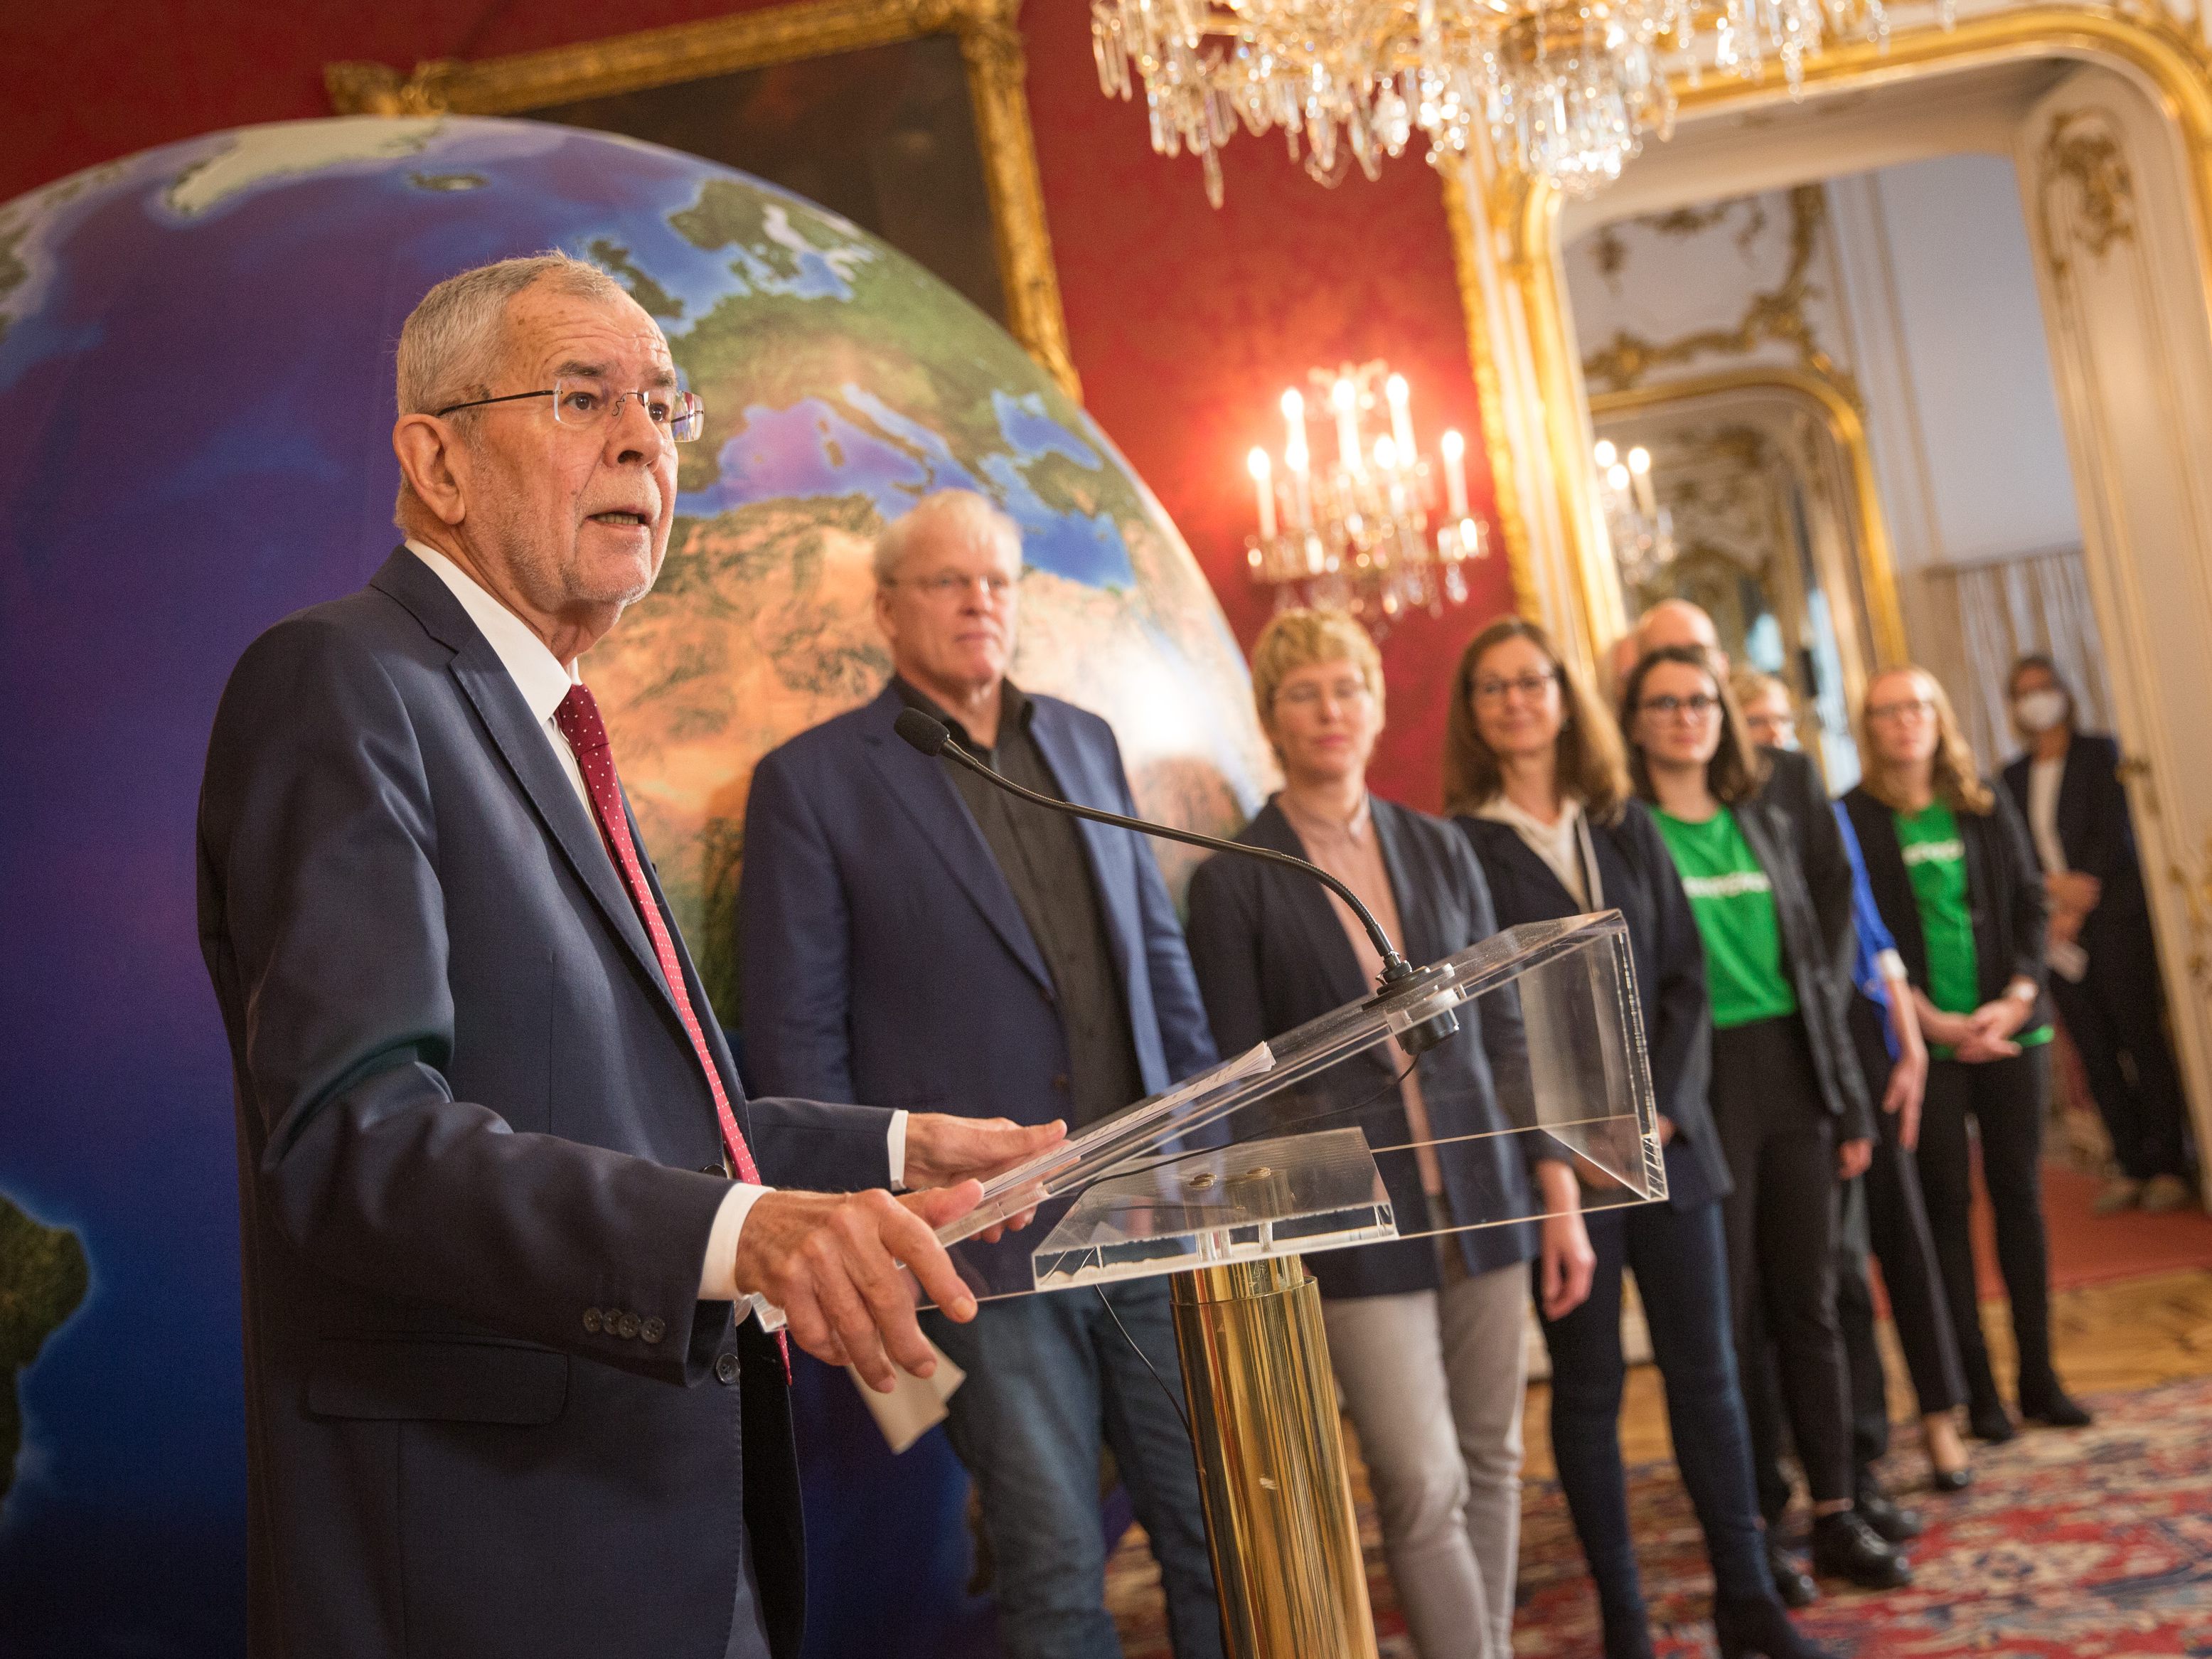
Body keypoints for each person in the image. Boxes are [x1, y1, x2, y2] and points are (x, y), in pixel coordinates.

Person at [196, 254, 1059, 1659]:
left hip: (663, 1510)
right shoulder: (341, 682)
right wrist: (746, 1233)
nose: (643, 440)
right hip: (493, 1554)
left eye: (662, 404)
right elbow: (358, 1144)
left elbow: (652, 1122)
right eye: (583, 395)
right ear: (437, 458)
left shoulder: (554, 726)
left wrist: (896, 1150)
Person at [738, 490, 1224, 1659]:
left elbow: (1156, 964)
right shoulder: (811, 781)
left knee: (1217, 1535)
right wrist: (873, 1224)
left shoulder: (1083, 741)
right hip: (980, 1248)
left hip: (1141, 1209)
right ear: (888, 609)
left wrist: (1209, 1138)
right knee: (1054, 1564)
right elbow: (797, 1048)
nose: (980, 601)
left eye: (998, 581)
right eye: (951, 581)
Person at [1182, 609, 1593, 1659]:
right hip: (1354, 1218)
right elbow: (1235, 1080)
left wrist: (1556, 1194)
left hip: (1486, 1191)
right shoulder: (1234, 876)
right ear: (1269, 714)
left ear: (1374, 705)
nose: (1330, 710)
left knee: (1495, 1458)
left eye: (1347, 687)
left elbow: (1503, 1031)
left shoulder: (1439, 844)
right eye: (1303, 691)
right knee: (1420, 1479)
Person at [1448, 617, 1829, 1659]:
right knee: (1588, 1390)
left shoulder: (1624, 824)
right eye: (1492, 687)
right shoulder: (1461, 846)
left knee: (1706, 1371)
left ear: (1564, 697)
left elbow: (1684, 981)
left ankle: (1744, 1597)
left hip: (1671, 1144)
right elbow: (1486, 1018)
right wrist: (1563, 1143)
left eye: (1532, 680)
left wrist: (1657, 1107)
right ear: (1471, 714)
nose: (1516, 700)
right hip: (1558, 1170)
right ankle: (1625, 1619)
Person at [1619, 648, 1908, 1594]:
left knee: (1811, 1301)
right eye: (1661, 704)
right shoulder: (1624, 830)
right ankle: (1752, 1525)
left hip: (1791, 1071)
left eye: (1698, 701)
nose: (1683, 717)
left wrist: (1845, 1098)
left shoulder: (1761, 813)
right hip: (1698, 1086)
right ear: (1632, 721)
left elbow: (1819, 977)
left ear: (1722, 715)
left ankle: (1835, 1508)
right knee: (1729, 1318)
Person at [1733, 671, 1968, 1541]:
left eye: (1781, 722)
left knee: (1873, 1255)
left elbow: (1864, 924)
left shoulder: (1802, 794)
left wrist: (1905, 1030)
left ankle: (1872, 1453)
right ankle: (1817, 1463)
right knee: (1815, 1277)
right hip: (1789, 1058)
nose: (1771, 738)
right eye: (1754, 721)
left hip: (1857, 1044)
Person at [1844, 666, 2094, 1443]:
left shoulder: (1982, 798)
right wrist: (1932, 1021)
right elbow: (1866, 935)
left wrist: (2018, 996)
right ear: (1870, 726)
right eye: (1887, 711)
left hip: (2012, 1028)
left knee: (2020, 1198)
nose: (1904, 722)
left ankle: (2040, 1377)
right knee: (1945, 1214)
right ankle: (1977, 1388)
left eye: (1917, 706)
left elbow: (2029, 900)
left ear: (1940, 715)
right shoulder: (1854, 817)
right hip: (1926, 1043)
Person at [2001, 655, 2195, 1215]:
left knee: (2141, 1040)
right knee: (2094, 1050)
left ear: (2062, 692)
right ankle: (2129, 1163)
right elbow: (2016, 853)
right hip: (2056, 936)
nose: (2036, 698)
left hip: (2113, 919)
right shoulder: (2012, 776)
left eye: (2043, 687)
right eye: (2023, 692)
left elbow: (2115, 834)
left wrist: (2080, 892)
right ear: (2013, 706)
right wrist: (2049, 896)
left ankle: (2168, 1163)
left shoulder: (2100, 753)